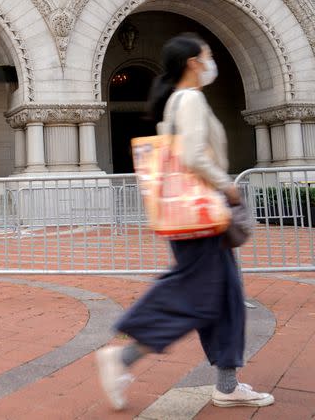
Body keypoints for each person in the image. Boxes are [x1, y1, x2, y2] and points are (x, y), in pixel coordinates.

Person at [95, 34, 274, 410]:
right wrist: (228, 188)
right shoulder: (189, 99)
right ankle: (122, 358)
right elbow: (192, 156)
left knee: (224, 298)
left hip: (194, 215)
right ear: (194, 61)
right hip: (201, 214)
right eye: (207, 55)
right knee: (198, 293)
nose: (211, 61)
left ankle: (227, 384)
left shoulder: (179, 101)